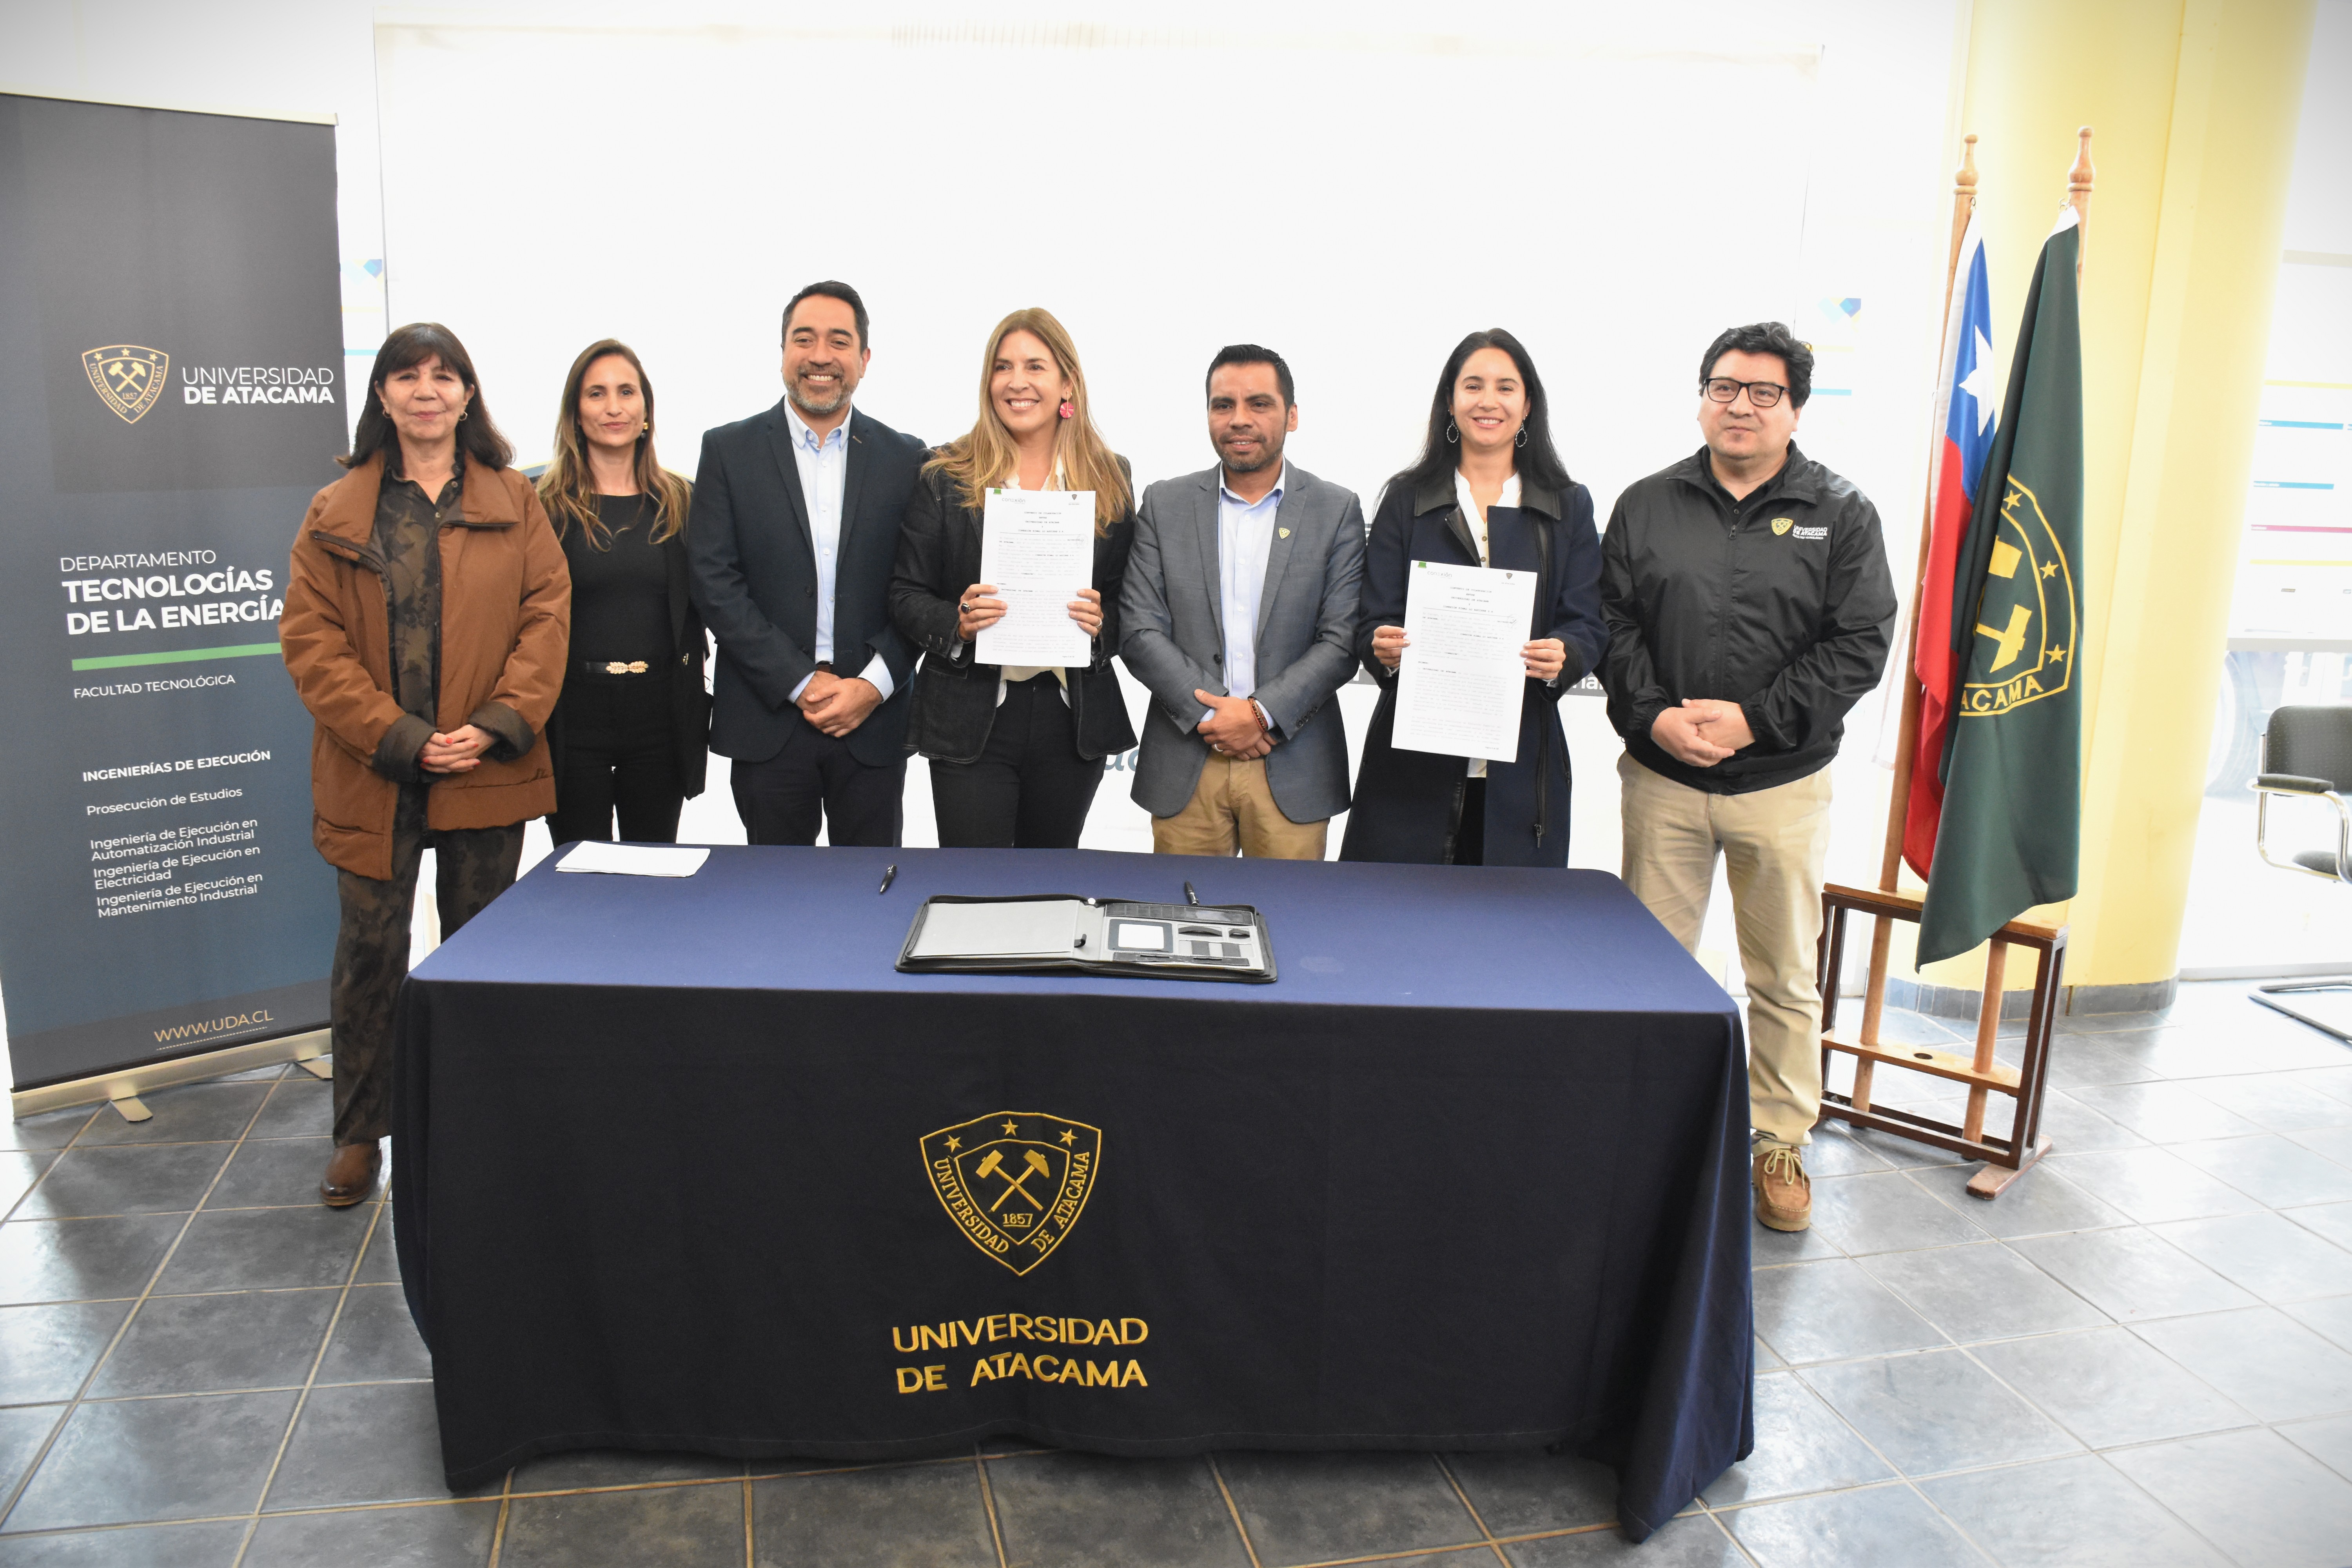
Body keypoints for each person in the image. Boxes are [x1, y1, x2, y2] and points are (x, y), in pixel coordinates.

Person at [1600, 321, 1896, 1234]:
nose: (1741, 405)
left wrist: (1754, 720)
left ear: (1795, 408)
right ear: (1702, 396)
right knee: (1651, 968)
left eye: (1763, 392)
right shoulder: (1647, 503)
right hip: (1665, 780)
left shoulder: (1841, 513)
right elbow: (1611, 625)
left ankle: (1779, 1142)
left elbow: (1860, 643)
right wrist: (1653, 713)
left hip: (1780, 784)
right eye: (1725, 387)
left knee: (1782, 973)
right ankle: (1645, 1132)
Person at [280, 322, 568, 1206]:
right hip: (376, 771)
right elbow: (310, 641)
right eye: (407, 376)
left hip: (488, 765)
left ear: (469, 395)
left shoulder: (515, 502)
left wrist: (492, 724)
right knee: (369, 953)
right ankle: (360, 1133)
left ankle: (482, 1121)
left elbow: (546, 615)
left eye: (444, 376)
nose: (427, 391)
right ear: (383, 397)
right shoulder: (335, 511)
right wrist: (402, 736)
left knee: (483, 950)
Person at [1341, 330, 1605, 866]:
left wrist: (1565, 653)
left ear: (1528, 404)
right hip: (1413, 762)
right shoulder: (1407, 499)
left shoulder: (1567, 504)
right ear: (1450, 401)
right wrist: (1382, 644)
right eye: (1473, 386)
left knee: (1507, 934)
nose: (1489, 401)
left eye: (1506, 387)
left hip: (1521, 764)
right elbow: (1373, 618)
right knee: (1399, 923)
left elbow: (1588, 622)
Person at [686, 281, 925, 846]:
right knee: (773, 907)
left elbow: (921, 589)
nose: (821, 356)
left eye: (839, 342)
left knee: (869, 901)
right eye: (804, 339)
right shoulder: (728, 450)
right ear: (784, 353)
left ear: (864, 360)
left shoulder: (910, 458)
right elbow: (715, 581)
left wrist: (871, 686)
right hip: (768, 718)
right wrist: (798, 682)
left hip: (873, 720)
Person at [889, 309, 1137, 847]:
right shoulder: (945, 473)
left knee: (1049, 886)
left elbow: (1128, 603)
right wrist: (957, 622)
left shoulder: (1111, 475)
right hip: (971, 714)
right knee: (974, 890)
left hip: (1070, 717)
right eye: (1003, 368)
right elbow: (906, 594)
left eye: (1035, 367)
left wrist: (1102, 624)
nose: (1017, 382)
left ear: (1067, 381)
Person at [1120, 345, 1365, 858]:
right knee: (1180, 927)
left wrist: (1258, 715)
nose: (1239, 420)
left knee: (1289, 928)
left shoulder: (1336, 509)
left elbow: (1341, 641)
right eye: (1223, 405)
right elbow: (1140, 631)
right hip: (1188, 761)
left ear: (1291, 415)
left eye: (1259, 404)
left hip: (1291, 763)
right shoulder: (1164, 504)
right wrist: (1217, 717)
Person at [537, 339, 708, 844]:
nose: (614, 407)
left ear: (646, 411)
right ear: (575, 414)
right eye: (596, 394)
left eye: (626, 392)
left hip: (660, 718)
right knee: (578, 881)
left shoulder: (684, 501)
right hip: (573, 719)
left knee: (652, 879)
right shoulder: (543, 506)